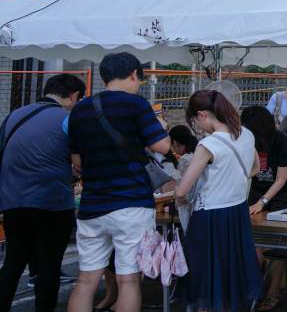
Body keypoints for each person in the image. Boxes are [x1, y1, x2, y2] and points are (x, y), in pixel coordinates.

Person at [67, 53, 171, 312]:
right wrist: (161, 126)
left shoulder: (80, 109)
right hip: (130, 204)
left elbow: (76, 161)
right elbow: (163, 146)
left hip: (92, 205)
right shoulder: (136, 105)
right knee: (129, 280)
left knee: (86, 279)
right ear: (134, 74)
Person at [0, 74, 86, 312]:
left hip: (13, 201)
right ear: (73, 96)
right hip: (52, 202)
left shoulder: (13, 116)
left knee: (13, 263)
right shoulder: (68, 120)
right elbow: (79, 163)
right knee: (49, 266)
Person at [176, 90, 261, 311]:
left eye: (194, 121)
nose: (197, 126)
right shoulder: (246, 134)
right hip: (237, 211)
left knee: (205, 276)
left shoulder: (208, 145)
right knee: (230, 274)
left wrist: (182, 200)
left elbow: (181, 190)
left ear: (202, 114)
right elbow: (255, 168)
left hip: (210, 215)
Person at [241, 105, 287, 310]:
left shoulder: (281, 141)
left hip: (283, 195)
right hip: (256, 193)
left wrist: (262, 203)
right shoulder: (246, 141)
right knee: (255, 243)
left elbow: (281, 179)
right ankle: (254, 290)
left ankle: (272, 293)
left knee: (277, 245)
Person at [167, 125, 199, 229]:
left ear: (175, 142)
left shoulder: (184, 160)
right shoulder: (198, 154)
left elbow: (182, 189)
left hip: (189, 207)